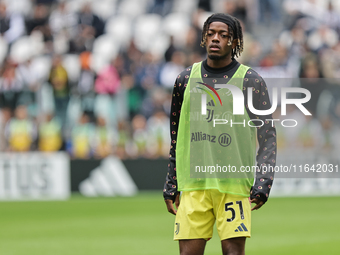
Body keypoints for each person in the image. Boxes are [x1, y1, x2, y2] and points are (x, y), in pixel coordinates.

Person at [163, 13, 276, 255]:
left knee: (233, 253)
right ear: (203, 38)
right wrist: (172, 182)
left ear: (235, 42)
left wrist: (264, 180)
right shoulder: (184, 80)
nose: (216, 39)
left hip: (233, 184)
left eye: (224, 35)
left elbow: (268, 136)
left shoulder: (251, 81)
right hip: (194, 184)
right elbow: (176, 136)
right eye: (211, 34)